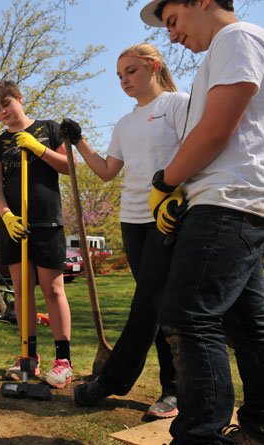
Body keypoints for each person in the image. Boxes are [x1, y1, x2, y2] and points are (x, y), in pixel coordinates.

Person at [139, 1, 264, 443]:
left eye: (173, 20)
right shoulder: (228, 49)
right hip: (236, 201)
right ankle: (257, 428)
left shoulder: (237, 37)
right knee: (248, 326)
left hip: (227, 202)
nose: (171, 35)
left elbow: (215, 130)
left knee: (187, 316)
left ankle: (199, 435)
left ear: (205, 1)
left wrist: (164, 182)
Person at [64, 43, 188, 420]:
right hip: (131, 220)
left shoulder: (177, 105)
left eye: (131, 72)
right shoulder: (124, 123)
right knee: (158, 305)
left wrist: (178, 191)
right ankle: (173, 391)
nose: (124, 81)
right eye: (119, 76)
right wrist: (79, 141)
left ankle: (111, 381)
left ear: (154, 66)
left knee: (148, 303)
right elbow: (106, 171)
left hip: (166, 215)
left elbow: (195, 150)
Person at [0, 80, 74, 388]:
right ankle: (28, 358)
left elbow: (69, 167)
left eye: (6, 104)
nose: (3, 112)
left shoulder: (50, 129)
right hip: (14, 227)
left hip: (47, 222)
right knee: (23, 292)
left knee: (53, 290)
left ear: (19, 98)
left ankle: (63, 360)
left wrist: (37, 148)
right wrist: (6, 217)